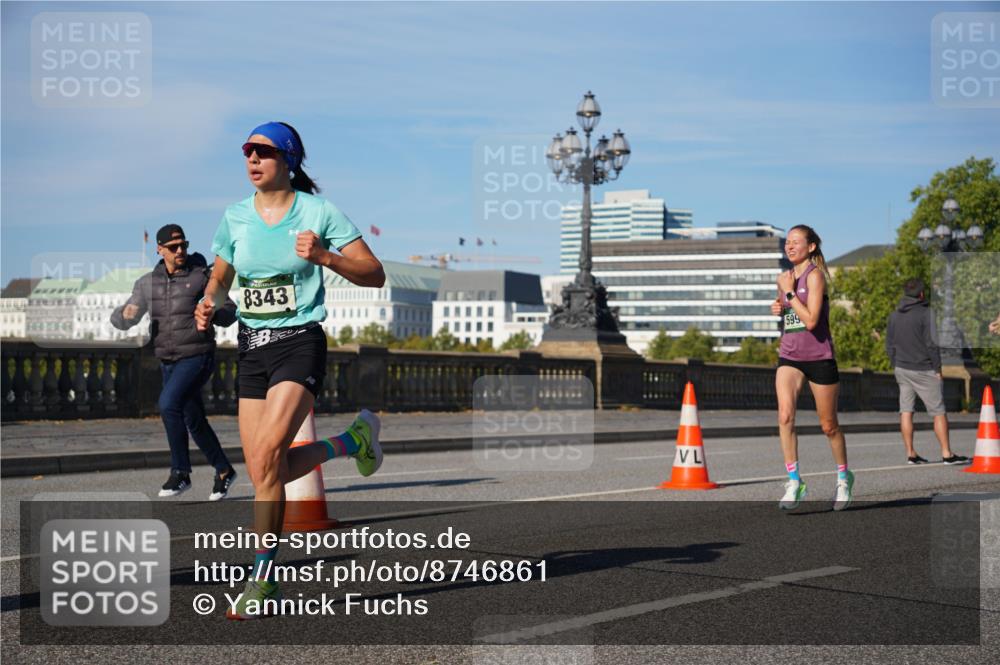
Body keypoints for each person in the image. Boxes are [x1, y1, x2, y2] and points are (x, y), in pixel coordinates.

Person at [196, 121, 386, 620]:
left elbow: (374, 272)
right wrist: (210, 301)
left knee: (265, 456)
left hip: (299, 343)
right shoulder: (235, 217)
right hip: (251, 348)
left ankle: (262, 578)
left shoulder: (318, 211)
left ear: (289, 161)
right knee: (266, 470)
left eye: (263, 152)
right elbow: (220, 276)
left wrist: (324, 256)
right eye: (247, 153)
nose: (252, 161)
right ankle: (352, 442)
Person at [111, 224, 239, 500]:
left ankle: (180, 472)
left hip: (197, 355)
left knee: (168, 404)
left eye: (183, 244)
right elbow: (124, 319)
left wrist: (212, 309)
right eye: (173, 247)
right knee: (193, 419)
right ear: (160, 249)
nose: (180, 250)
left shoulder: (201, 276)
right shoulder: (147, 283)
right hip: (167, 360)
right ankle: (224, 470)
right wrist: (125, 314)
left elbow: (229, 310)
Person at [769, 225, 853, 511]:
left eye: (796, 242)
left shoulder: (815, 277)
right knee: (784, 415)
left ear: (811, 247)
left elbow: (812, 321)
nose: (789, 246)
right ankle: (794, 481)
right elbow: (790, 313)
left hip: (819, 357)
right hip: (790, 356)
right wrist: (778, 306)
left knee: (829, 426)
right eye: (787, 242)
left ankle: (844, 476)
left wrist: (790, 294)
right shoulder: (784, 278)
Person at [885, 278, 969, 465]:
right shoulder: (926, 313)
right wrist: (938, 368)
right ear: (921, 294)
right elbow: (932, 344)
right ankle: (947, 454)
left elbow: (889, 345)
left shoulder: (894, 315)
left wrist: (895, 363)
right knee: (938, 411)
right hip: (924, 369)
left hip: (902, 368)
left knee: (906, 411)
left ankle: (911, 454)